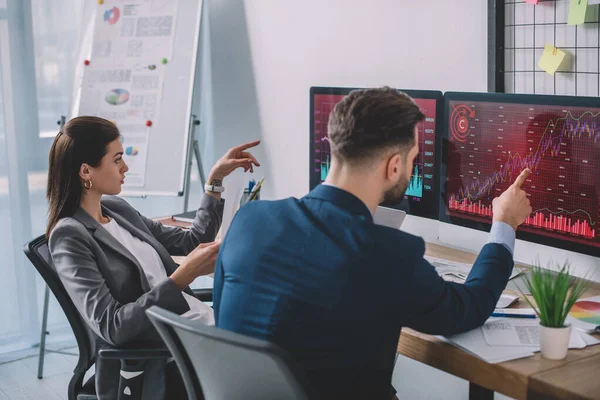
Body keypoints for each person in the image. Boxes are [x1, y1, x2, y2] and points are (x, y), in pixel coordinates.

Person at [213, 87, 532, 399]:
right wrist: (504, 225)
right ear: (394, 166)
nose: (411, 168)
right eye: (413, 160)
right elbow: (466, 308)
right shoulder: (386, 254)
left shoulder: (249, 220)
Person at [47, 116, 260, 399]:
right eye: (117, 159)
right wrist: (183, 277)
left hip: (194, 328)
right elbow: (114, 326)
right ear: (86, 171)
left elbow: (191, 240)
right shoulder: (70, 237)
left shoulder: (116, 209)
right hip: (165, 354)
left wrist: (215, 181)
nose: (125, 167)